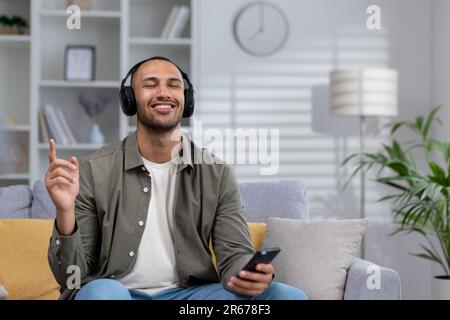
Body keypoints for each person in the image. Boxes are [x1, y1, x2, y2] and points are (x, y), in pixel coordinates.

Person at [46, 56, 307, 300]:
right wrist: (64, 211)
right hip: (118, 291)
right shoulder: (95, 170)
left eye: (174, 85)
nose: (163, 92)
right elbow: (73, 277)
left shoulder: (216, 173)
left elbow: (234, 255)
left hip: (190, 296)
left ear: (186, 99)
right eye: (150, 85)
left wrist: (250, 274)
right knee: (101, 292)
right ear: (130, 99)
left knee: (287, 296)